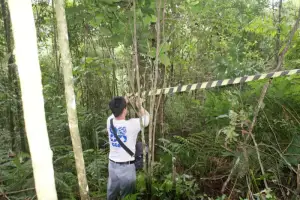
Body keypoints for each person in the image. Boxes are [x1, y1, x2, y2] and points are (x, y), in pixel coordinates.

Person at [106, 96, 150, 200]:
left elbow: (116, 110)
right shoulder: (132, 125)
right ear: (125, 110)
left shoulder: (109, 121)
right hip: (126, 167)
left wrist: (124, 101)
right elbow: (147, 118)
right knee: (127, 196)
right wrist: (140, 106)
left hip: (112, 165)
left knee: (111, 193)